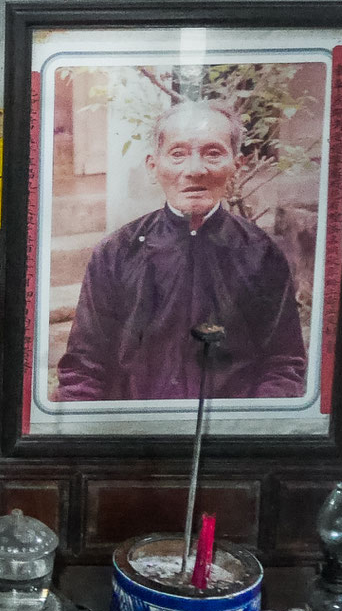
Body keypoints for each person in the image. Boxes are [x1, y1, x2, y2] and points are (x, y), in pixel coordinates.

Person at [53, 100, 308, 403]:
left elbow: (284, 365)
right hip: (135, 436)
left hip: (231, 438)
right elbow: (84, 369)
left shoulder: (262, 255)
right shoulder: (116, 254)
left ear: (236, 165)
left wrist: (248, 435)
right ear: (153, 165)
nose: (195, 170)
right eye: (178, 154)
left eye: (213, 153)